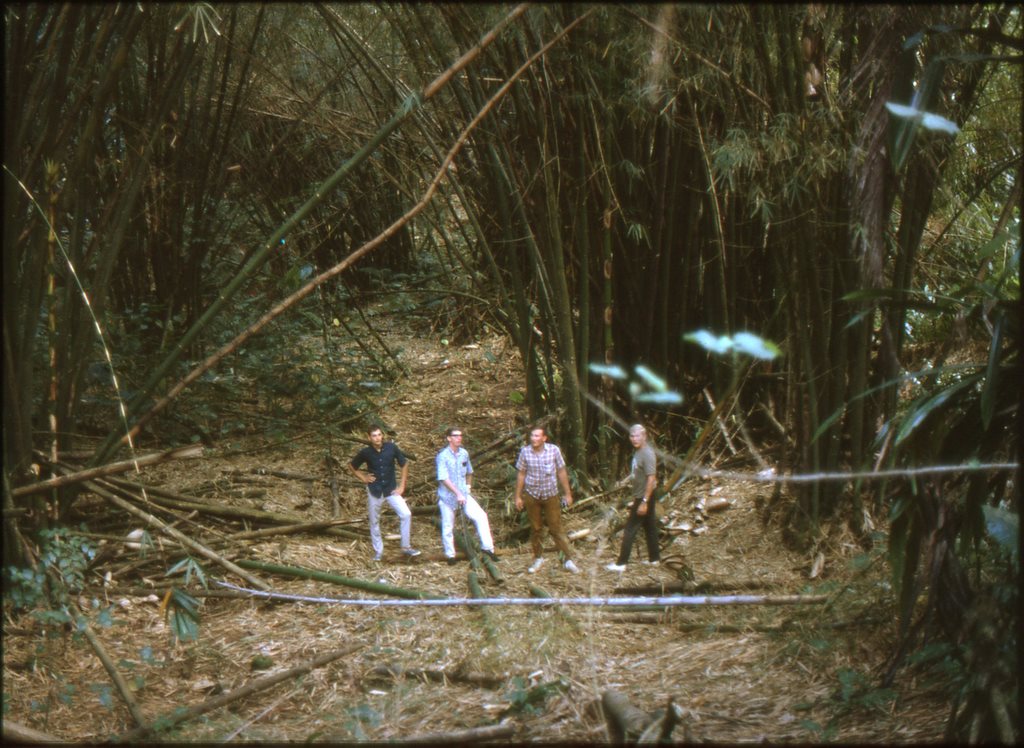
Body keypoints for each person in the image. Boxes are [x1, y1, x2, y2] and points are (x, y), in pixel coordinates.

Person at [349, 425, 421, 561]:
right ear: (369, 438)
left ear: (382, 435)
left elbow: (404, 464)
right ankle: (379, 551)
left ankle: (406, 547)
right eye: (374, 435)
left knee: (406, 514)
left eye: (379, 435)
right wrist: (363, 477)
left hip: (391, 489)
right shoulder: (366, 452)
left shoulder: (391, 448)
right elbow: (352, 466)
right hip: (374, 490)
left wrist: (402, 486)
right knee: (374, 521)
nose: (377, 438)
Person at [514, 425, 579, 574]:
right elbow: (521, 474)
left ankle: (567, 560)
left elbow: (561, 471)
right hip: (532, 494)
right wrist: (518, 496)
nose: (533, 439)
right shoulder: (525, 452)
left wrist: (567, 494)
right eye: (532, 436)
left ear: (544, 438)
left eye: (537, 436)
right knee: (536, 528)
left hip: (551, 494)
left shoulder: (553, 450)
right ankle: (538, 558)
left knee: (556, 528)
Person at [436, 426, 498, 564]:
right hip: (447, 496)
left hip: (464, 495)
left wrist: (467, 487)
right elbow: (443, 478)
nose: (459, 438)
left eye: (460, 435)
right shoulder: (442, 456)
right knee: (448, 526)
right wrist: (457, 493)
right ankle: (450, 555)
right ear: (449, 438)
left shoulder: (464, 453)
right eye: (456, 435)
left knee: (481, 516)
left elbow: (469, 471)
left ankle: (488, 548)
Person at [606, 424, 660, 572]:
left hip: (644, 495)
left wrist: (644, 501)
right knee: (650, 527)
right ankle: (655, 559)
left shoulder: (647, 454)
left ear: (645, 436)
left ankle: (621, 563)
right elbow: (637, 472)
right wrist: (623, 482)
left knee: (630, 529)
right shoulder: (638, 452)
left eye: (638, 436)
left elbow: (651, 478)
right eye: (632, 436)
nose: (634, 439)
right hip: (640, 494)